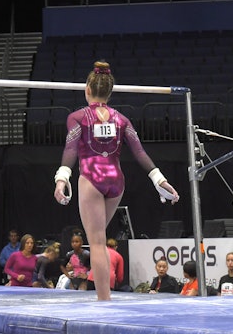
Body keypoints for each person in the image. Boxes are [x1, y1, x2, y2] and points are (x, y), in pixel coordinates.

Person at [53, 60, 179, 301]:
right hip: (116, 181)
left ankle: (104, 301)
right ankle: (104, 297)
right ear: (110, 92)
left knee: (97, 243)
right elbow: (140, 152)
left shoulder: (78, 117)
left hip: (91, 178)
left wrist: (62, 178)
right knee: (99, 238)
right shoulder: (122, 120)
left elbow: (70, 150)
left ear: (87, 89)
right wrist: (159, 180)